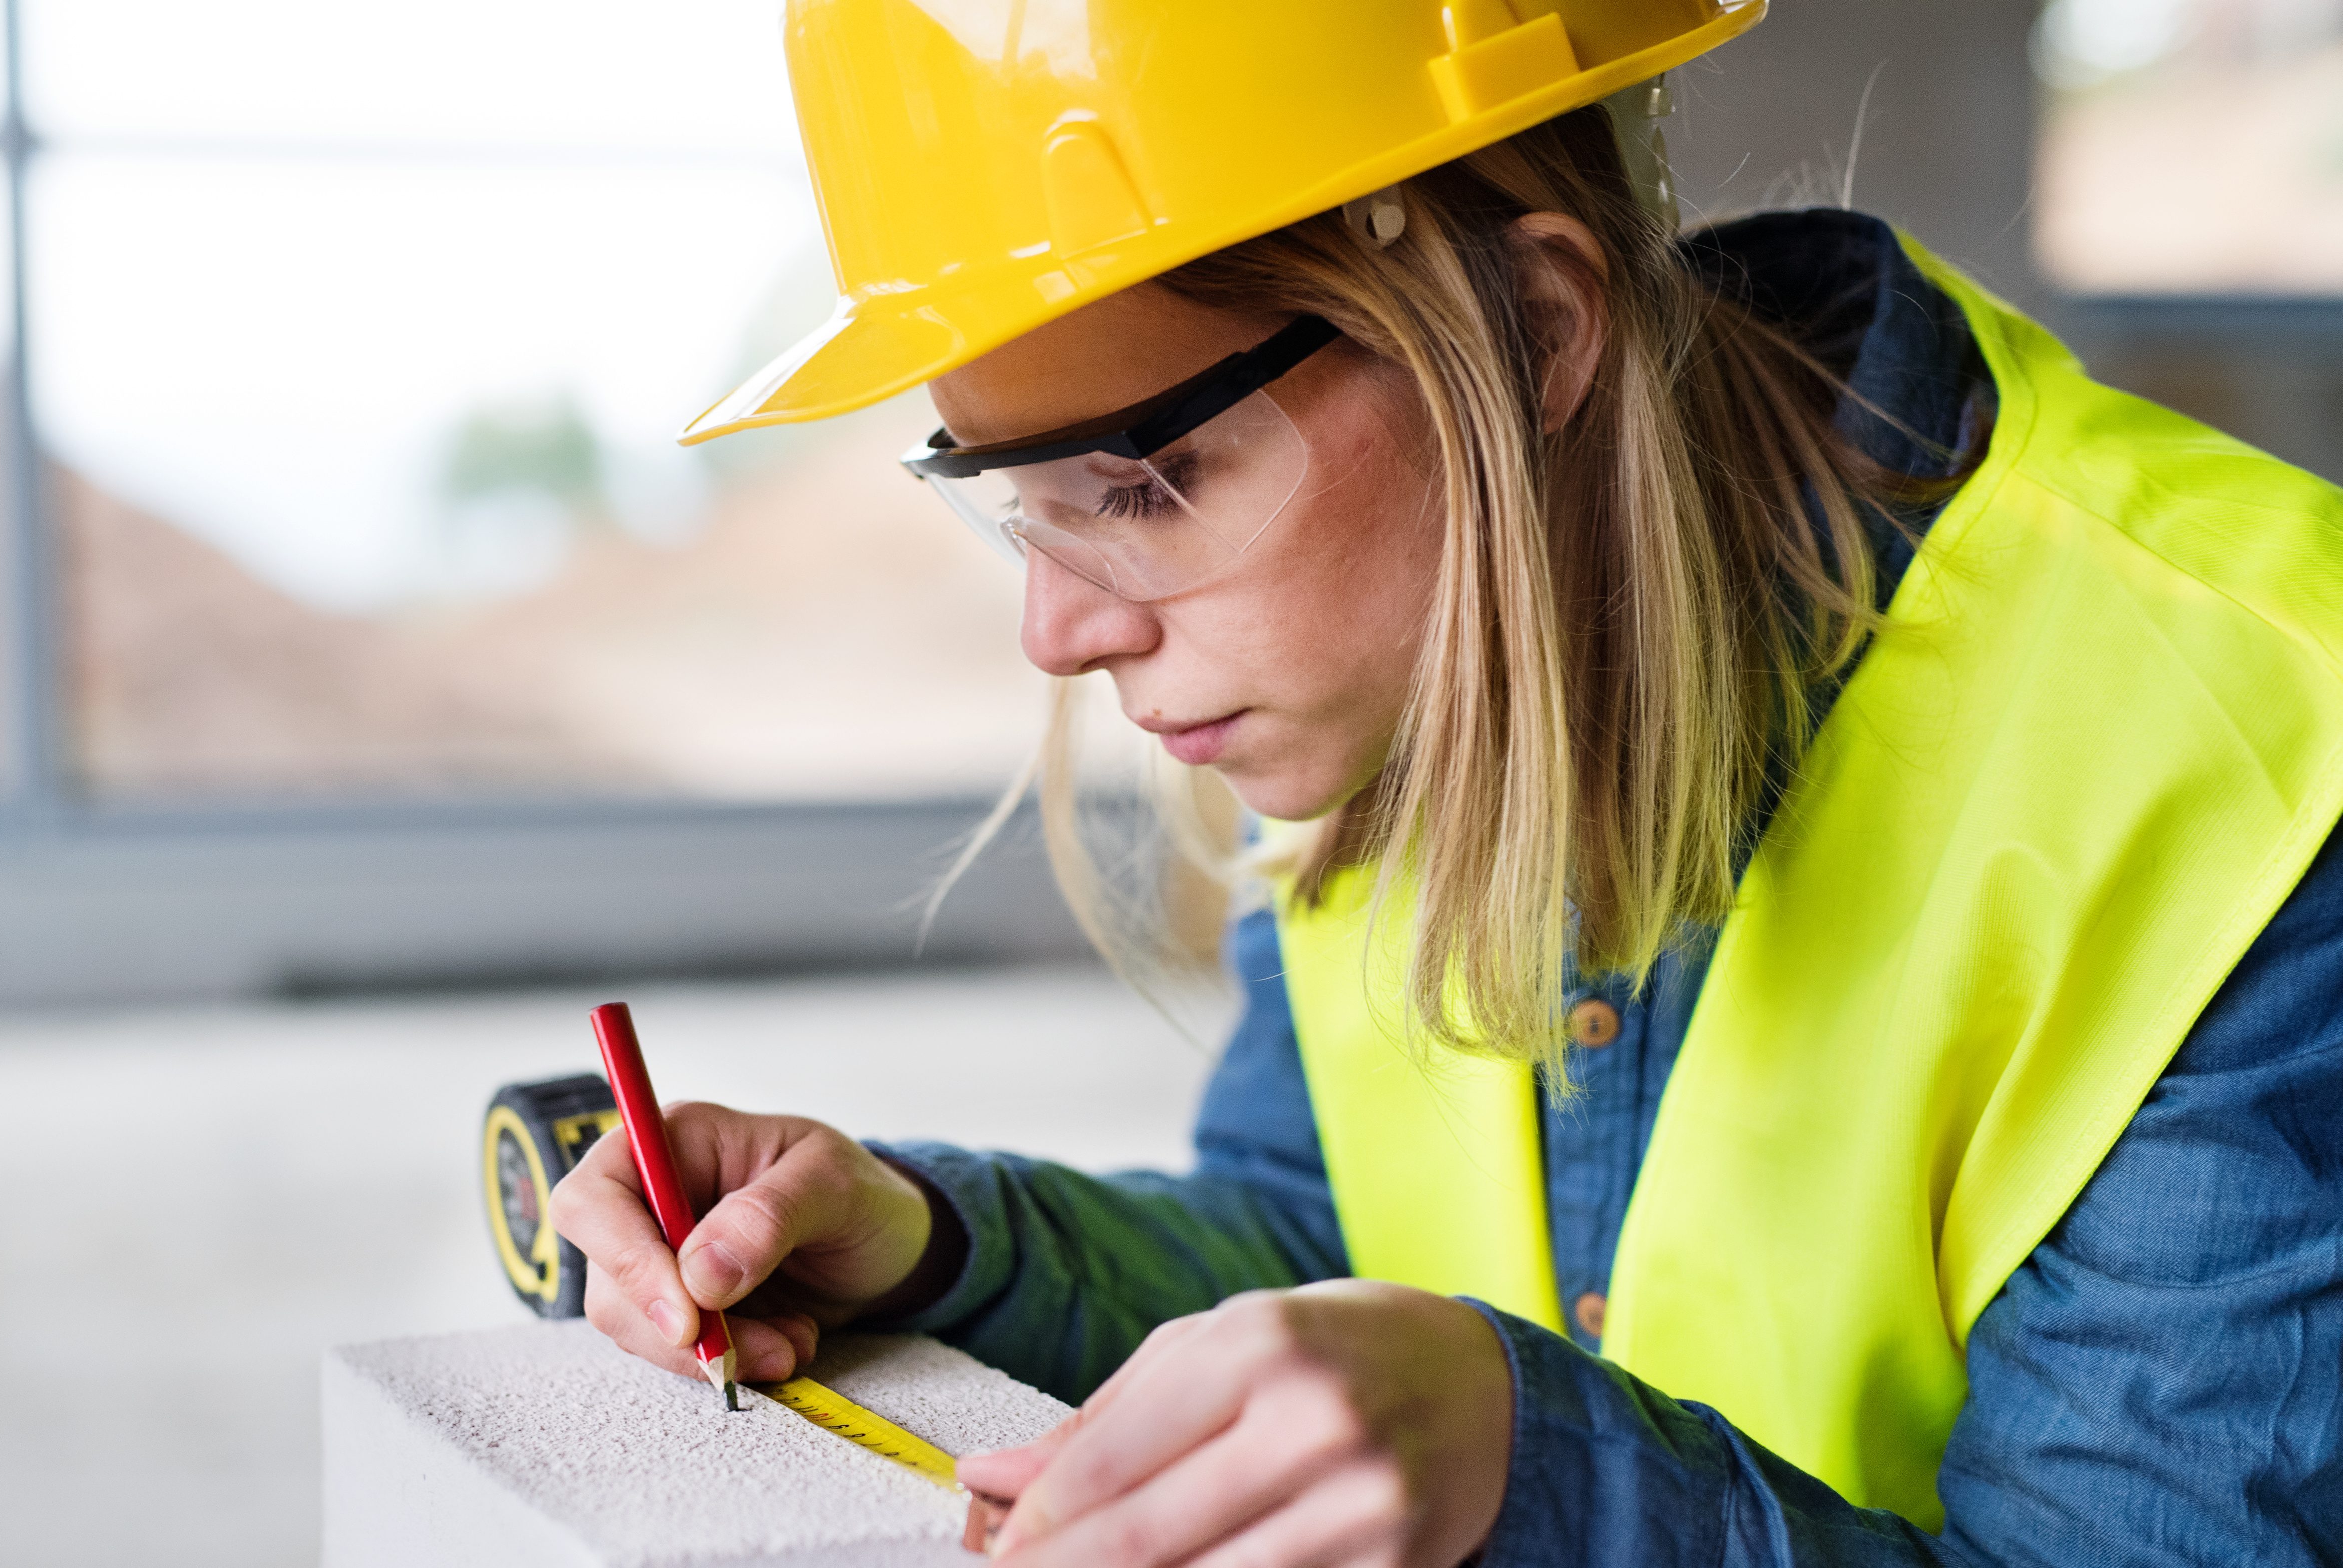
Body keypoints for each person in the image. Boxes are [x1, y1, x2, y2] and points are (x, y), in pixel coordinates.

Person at [551, 2, 2343, 1562]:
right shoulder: (1404, 634)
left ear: (1537, 333)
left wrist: (1525, 1460)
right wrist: (936, 1246)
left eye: (1148, 484)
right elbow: (1319, 1243)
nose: (1059, 632)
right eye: (1017, 499)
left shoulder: (2252, 744)